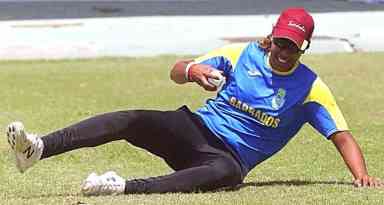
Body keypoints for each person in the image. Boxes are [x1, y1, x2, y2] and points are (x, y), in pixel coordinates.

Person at [5, 7, 382, 196]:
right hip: (194, 129)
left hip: (228, 158)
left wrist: (360, 175)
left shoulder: (310, 87)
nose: (284, 51)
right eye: (280, 42)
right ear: (273, 36)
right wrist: (192, 72)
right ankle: (38, 148)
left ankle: (120, 187)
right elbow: (177, 68)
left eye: (293, 47)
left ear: (304, 47)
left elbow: (342, 134)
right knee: (131, 118)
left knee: (227, 176)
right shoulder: (240, 55)